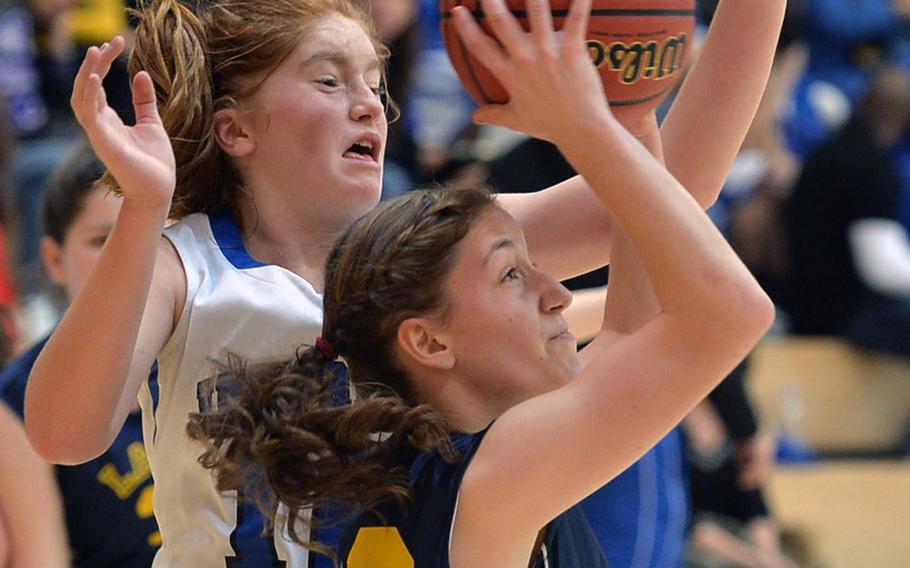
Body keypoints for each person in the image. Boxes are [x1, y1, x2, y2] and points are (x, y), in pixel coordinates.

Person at [25, 0, 782, 565]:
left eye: (376, 83)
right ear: (235, 129)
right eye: (329, 80)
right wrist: (144, 211)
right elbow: (63, 433)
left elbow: (669, 191)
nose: (368, 104)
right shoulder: (186, 264)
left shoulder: (429, 252)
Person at [0, 143, 160, 567]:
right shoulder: (15, 403)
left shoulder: (221, 355)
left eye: (155, 236)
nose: (130, 256)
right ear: (54, 259)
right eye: (103, 239)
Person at [786, 65, 910, 357]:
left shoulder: (827, 151)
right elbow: (880, 268)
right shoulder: (868, 166)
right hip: (841, 317)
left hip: (808, 302)